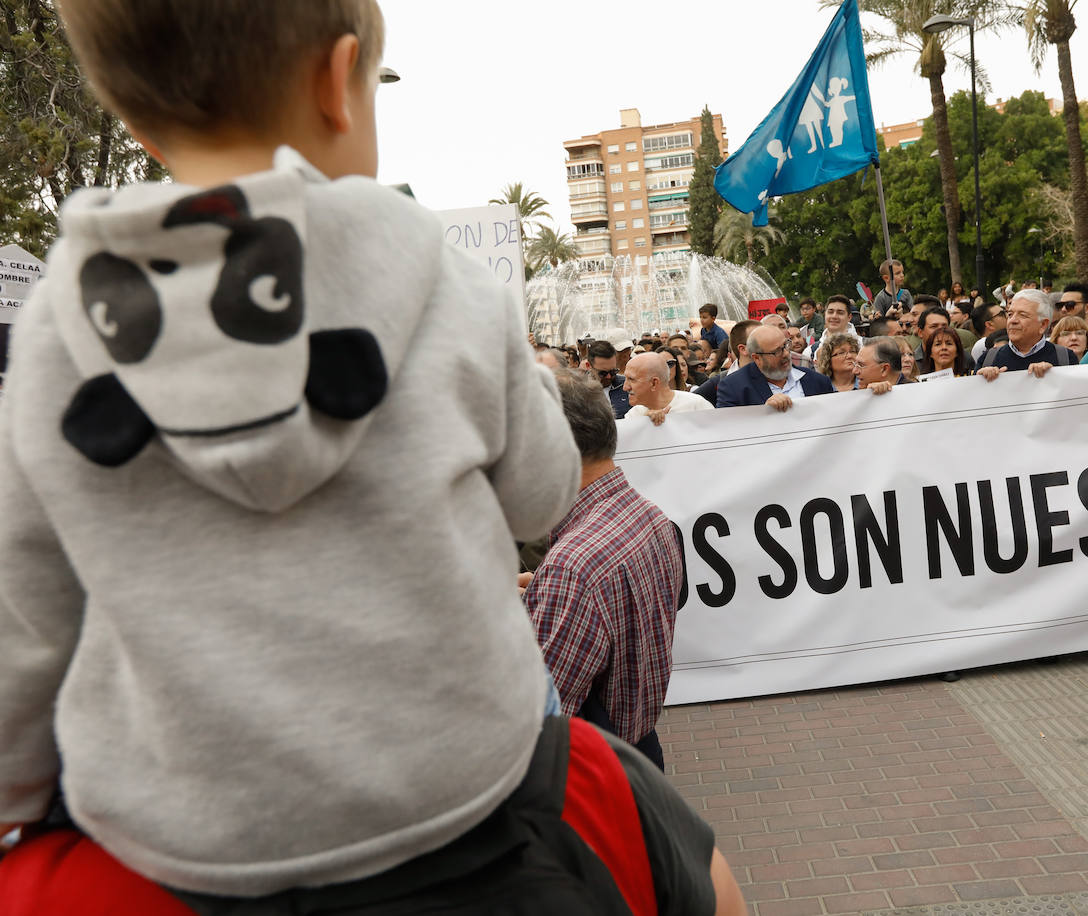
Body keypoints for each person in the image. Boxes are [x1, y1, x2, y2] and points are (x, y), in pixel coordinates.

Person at [0, 1, 724, 911]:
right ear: (338, 81)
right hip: (468, 799)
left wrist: (21, 804)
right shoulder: (447, 281)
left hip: (184, 834)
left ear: (132, 118)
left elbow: (26, 614)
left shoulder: (58, 334)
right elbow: (543, 495)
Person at [524, 369, 683, 771]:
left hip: (595, 774)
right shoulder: (648, 516)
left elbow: (535, 721)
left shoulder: (572, 568)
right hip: (639, 750)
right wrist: (539, 594)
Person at [717, 325, 834, 410]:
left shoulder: (818, 381)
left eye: (785, 345)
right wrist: (765, 413)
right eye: (776, 351)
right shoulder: (733, 388)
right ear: (757, 358)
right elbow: (728, 430)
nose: (786, 354)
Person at [979, 289, 1078, 379]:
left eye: (1022, 315)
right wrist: (981, 381)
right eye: (1010, 314)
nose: (1013, 320)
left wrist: (1053, 374)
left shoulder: (1064, 358)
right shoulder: (988, 359)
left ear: (1043, 325)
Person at [624, 352, 712, 424]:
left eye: (632, 379)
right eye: (626, 379)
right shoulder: (633, 416)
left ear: (654, 383)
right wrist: (644, 425)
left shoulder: (696, 406)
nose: (625, 387)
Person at [693, 319, 759, 407]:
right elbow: (689, 403)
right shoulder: (721, 382)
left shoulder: (777, 374)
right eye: (759, 339)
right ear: (743, 349)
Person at [589, 339, 631, 418]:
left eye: (613, 371)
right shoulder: (577, 391)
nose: (609, 377)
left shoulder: (627, 386)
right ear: (589, 366)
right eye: (603, 373)